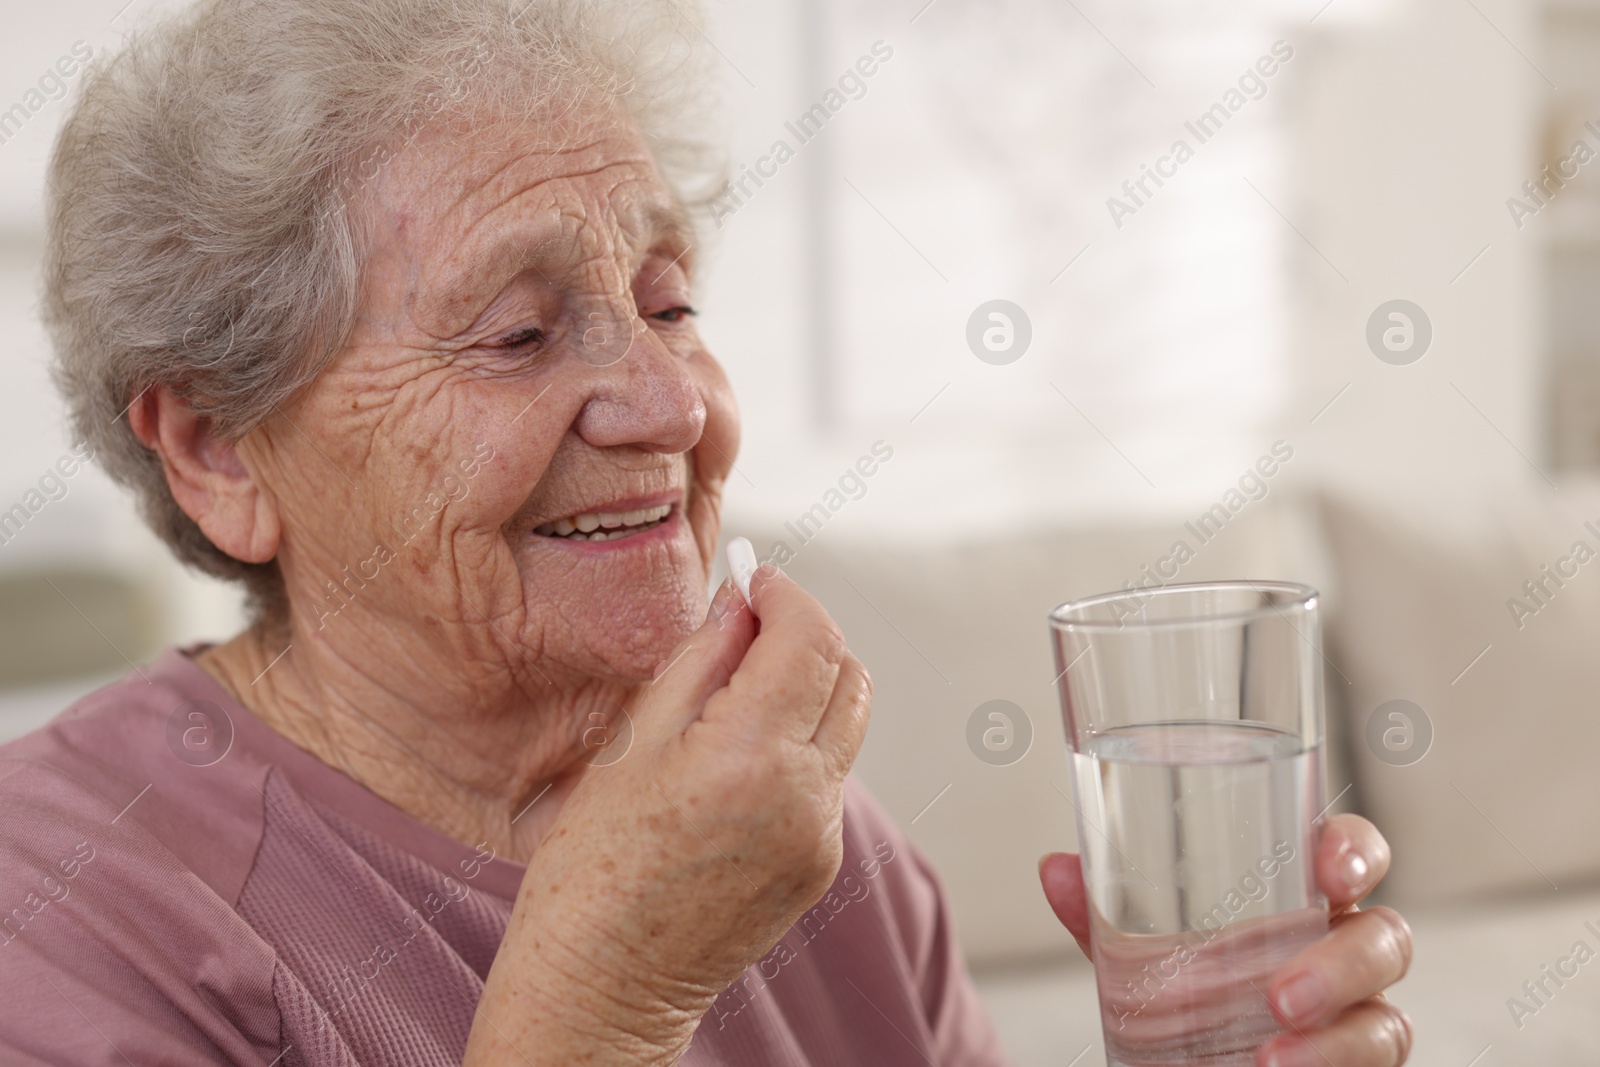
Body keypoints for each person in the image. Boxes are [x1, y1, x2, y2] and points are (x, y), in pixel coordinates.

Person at [0, 0, 1412, 1063]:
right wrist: (610, 999)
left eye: (671, 302)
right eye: (516, 331)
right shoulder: (59, 908)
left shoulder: (812, 846)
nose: (675, 403)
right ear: (217, 449)